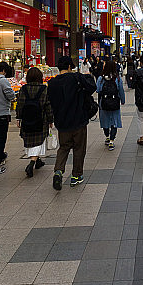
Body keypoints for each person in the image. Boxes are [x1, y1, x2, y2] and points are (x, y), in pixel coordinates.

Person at [47, 55, 96, 189]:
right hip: (78, 120)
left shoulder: (52, 83)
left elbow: (50, 102)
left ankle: (58, 170)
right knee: (79, 148)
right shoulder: (76, 78)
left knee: (63, 147)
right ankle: (76, 176)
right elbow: (92, 88)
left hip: (62, 122)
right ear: (70, 67)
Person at [16, 67, 54, 178]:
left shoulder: (23, 89)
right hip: (41, 120)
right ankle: (32, 163)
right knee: (39, 140)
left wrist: (19, 118)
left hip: (27, 120)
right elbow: (48, 106)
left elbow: (20, 104)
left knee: (29, 139)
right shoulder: (44, 89)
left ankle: (38, 161)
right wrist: (50, 120)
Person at [97, 60, 125, 150]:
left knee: (105, 121)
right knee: (114, 121)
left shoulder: (101, 78)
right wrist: (123, 100)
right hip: (114, 102)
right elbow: (121, 90)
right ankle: (112, 141)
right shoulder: (117, 78)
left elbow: (98, 89)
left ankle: (107, 137)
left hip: (103, 103)